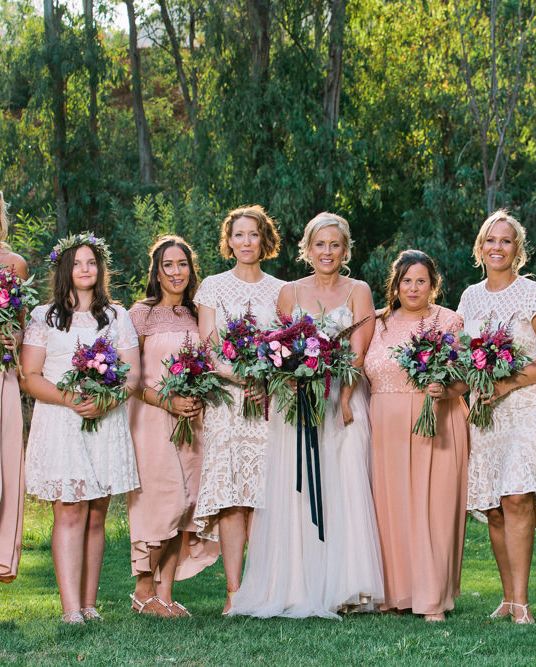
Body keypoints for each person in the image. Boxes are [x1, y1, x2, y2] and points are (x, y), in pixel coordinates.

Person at [228, 212, 384, 619]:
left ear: (345, 250)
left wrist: (346, 399)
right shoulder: (290, 293)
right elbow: (280, 349)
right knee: (295, 494)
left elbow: (358, 353)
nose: (327, 252)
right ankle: (297, 584)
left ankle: (348, 587)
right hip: (296, 405)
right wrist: (292, 382)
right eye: (320, 244)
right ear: (308, 249)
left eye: (335, 245)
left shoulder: (359, 291)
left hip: (342, 402)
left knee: (344, 485)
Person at [457, 209, 536, 625]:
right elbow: (462, 355)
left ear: (517, 250)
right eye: (491, 240)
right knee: (495, 506)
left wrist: (507, 384)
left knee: (518, 494)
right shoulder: (470, 297)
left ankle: (522, 601)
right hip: (486, 410)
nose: (497, 247)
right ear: (480, 247)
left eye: (506, 241)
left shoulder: (531, 294)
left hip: (528, 405)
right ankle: (506, 597)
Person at [20, 232, 140, 623]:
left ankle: (90, 605)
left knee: (97, 511)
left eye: (91, 262)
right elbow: (30, 376)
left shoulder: (117, 317)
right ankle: (71, 609)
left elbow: (132, 376)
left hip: (105, 421)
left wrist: (107, 399)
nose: (85, 269)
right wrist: (70, 399)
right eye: (77, 263)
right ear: (65, 269)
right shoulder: (45, 316)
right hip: (61, 422)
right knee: (70, 510)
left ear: (100, 268)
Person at [364, 249, 468, 622]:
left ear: (433, 285)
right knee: (392, 509)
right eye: (406, 280)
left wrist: (447, 389)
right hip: (385, 428)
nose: (413, 287)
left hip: (436, 422)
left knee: (433, 508)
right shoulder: (377, 323)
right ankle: (396, 593)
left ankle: (432, 599)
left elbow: (464, 378)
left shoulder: (449, 321)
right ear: (396, 283)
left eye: (421, 281)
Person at [192, 205, 285, 613]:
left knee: (266, 495)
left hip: (269, 401)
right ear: (228, 241)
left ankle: (264, 587)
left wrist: (263, 379)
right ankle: (233, 592)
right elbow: (209, 346)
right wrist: (241, 377)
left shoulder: (283, 289)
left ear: (265, 240)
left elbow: (288, 346)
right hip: (228, 402)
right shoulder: (212, 286)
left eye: (253, 235)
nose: (246, 242)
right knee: (233, 496)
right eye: (239, 235)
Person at [127, 236, 218, 617]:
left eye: (182, 264)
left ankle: (164, 594)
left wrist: (196, 396)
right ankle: (141, 590)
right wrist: (168, 400)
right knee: (162, 503)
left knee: (187, 505)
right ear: (157, 271)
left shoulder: (199, 314)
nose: (177, 272)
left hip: (193, 421)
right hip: (152, 418)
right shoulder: (140, 315)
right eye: (168, 265)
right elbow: (131, 380)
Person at [0, 191, 27, 584]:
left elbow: (21, 321)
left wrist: (15, 338)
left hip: (2, 378)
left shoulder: (13, 264)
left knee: (4, 477)